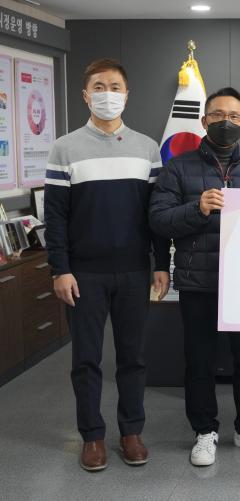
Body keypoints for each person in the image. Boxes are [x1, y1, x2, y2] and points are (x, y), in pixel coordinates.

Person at [44, 58, 170, 471]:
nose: (107, 94)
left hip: (135, 271)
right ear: (86, 95)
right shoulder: (65, 147)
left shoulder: (147, 148)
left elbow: (156, 214)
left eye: (115, 87)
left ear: (127, 95)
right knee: (86, 360)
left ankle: (131, 432)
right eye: (99, 87)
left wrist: (161, 263)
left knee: (133, 358)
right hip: (83, 274)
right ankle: (92, 437)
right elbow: (55, 216)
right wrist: (60, 269)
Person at [149, 87, 240, 466]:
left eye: (234, 116)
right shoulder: (178, 168)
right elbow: (158, 220)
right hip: (198, 282)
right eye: (219, 115)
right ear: (204, 121)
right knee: (200, 360)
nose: (226, 122)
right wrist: (198, 207)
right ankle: (204, 431)